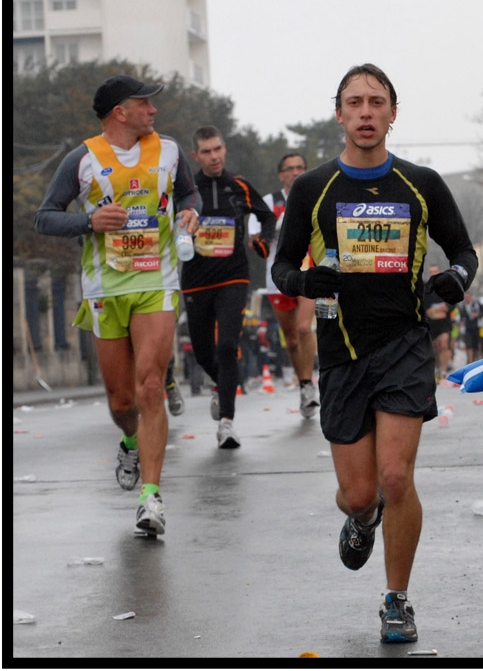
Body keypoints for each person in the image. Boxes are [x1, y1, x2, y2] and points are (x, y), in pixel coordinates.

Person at [271, 63, 478, 644]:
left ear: (392, 113)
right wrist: (305, 284)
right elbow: (282, 266)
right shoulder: (311, 189)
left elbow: (463, 250)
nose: (366, 112)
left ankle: (397, 600)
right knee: (361, 494)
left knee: (395, 477)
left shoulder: (421, 183)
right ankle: (361, 520)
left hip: (405, 343)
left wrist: (455, 277)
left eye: (377, 102)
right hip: (340, 349)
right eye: (355, 102)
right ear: (339, 114)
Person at [34, 74, 201, 536]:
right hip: (106, 289)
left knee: (150, 386)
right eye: (144, 104)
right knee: (122, 399)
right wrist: (89, 221)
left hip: (157, 280)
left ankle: (152, 499)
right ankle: (129, 439)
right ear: (118, 113)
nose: (153, 111)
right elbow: (43, 218)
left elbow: (188, 193)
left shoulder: (169, 151)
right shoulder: (82, 159)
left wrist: (190, 212)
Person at [181, 125, 275, 449]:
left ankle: (226, 423)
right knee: (204, 350)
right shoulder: (187, 190)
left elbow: (268, 217)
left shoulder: (240, 186)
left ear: (225, 149)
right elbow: (167, 220)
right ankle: (220, 385)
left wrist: (262, 240)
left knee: (227, 347)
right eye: (206, 151)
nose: (214, 156)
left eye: (217, 149)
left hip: (234, 276)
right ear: (196, 155)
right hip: (196, 280)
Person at [248, 153, 320, 417]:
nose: (295, 172)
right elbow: (255, 238)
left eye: (300, 167)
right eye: (289, 169)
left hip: (308, 272)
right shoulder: (268, 202)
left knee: (303, 328)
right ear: (281, 175)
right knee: (290, 339)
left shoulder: (315, 196)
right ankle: (303, 386)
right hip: (277, 276)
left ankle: (310, 384)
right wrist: (266, 236)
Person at [423, 264, 454, 382]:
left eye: (435, 271)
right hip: (431, 324)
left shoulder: (446, 286)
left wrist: (447, 307)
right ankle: (437, 369)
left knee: (444, 345)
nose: (433, 274)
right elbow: (421, 302)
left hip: (444, 323)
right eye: (431, 272)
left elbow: (453, 301)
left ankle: (444, 370)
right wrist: (427, 311)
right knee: (435, 348)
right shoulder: (425, 288)